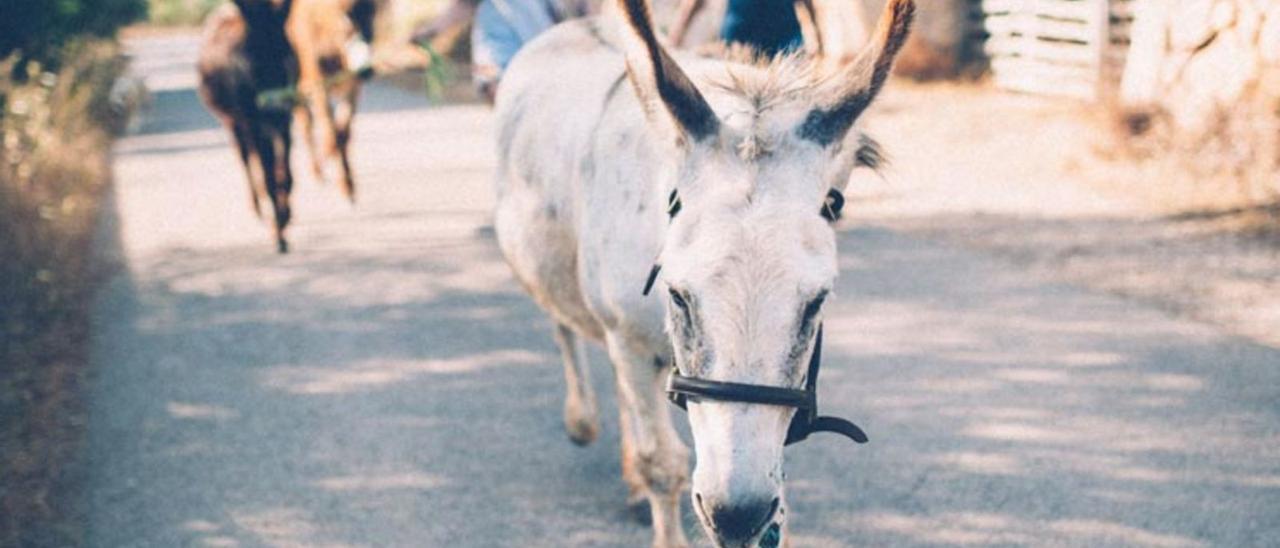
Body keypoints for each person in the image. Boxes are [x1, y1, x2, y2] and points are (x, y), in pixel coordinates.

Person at [413, 0, 592, 102]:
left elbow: (582, 9)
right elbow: (463, 5)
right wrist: (433, 30)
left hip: (543, 52)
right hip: (498, 47)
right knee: (501, 95)